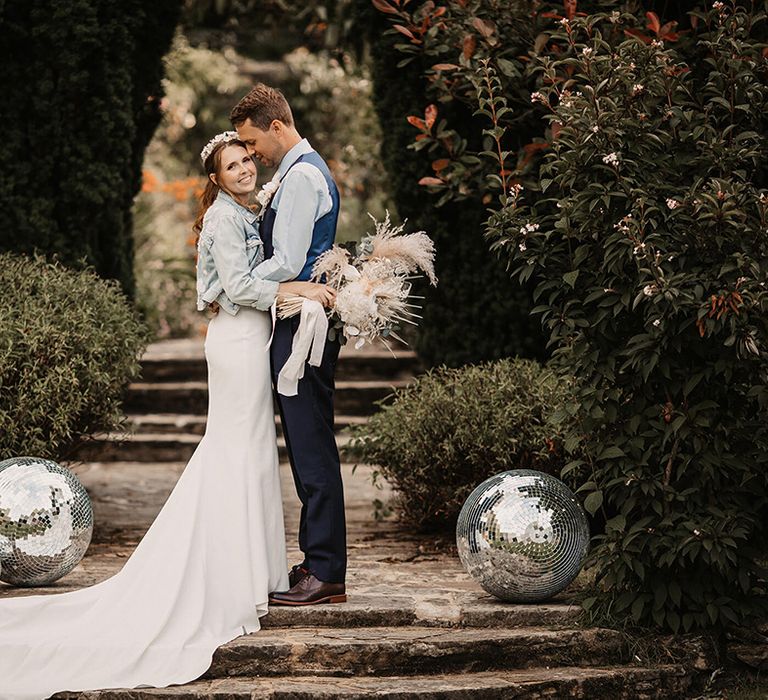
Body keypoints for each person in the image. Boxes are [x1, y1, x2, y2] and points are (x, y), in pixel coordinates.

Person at [0, 132, 335, 699]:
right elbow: (237, 286)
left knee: (251, 451)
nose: (245, 170)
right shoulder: (227, 220)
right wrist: (299, 287)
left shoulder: (242, 211)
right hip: (235, 343)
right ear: (217, 178)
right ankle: (229, 575)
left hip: (249, 337)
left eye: (246, 161)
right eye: (232, 166)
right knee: (233, 449)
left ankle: (253, 570)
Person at [230, 84, 347, 606]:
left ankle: (326, 570)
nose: (252, 154)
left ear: (277, 127)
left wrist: (239, 276)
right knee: (306, 445)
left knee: (311, 445)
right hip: (298, 317)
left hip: (302, 323)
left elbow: (287, 261)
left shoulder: (300, 177)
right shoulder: (302, 170)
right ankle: (316, 562)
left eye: (253, 143)